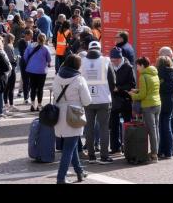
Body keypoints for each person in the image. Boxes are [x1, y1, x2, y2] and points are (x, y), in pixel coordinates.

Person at [52, 54, 91, 184]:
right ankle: (61, 178)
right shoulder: (79, 79)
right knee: (69, 148)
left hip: (59, 114)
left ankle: (79, 172)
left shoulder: (57, 77)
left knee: (71, 144)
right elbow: (86, 101)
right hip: (74, 114)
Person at [80, 41, 115, 164]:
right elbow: (112, 80)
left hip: (87, 99)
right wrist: (109, 92)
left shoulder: (82, 62)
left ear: (89, 49)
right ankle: (104, 156)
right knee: (104, 127)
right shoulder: (105, 60)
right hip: (104, 99)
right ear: (100, 49)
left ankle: (91, 156)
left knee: (88, 127)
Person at [129, 56, 161, 163]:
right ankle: (156, 152)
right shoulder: (154, 73)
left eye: (137, 66)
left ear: (142, 65)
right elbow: (150, 89)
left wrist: (132, 95)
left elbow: (142, 95)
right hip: (157, 104)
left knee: (151, 131)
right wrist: (137, 90)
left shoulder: (143, 76)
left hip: (148, 106)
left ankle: (154, 155)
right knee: (156, 129)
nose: (137, 68)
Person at [108, 46, 135, 155]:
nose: (113, 62)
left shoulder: (128, 67)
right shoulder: (109, 66)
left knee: (127, 124)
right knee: (113, 124)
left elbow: (132, 85)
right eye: (112, 60)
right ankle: (115, 148)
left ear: (120, 58)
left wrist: (119, 88)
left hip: (125, 99)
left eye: (115, 60)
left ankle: (128, 146)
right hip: (114, 100)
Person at [24, 33, 52, 112]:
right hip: (41, 71)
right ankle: (39, 105)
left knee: (32, 87)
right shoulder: (46, 48)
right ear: (45, 39)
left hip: (31, 70)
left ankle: (32, 104)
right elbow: (49, 59)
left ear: (37, 39)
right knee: (40, 88)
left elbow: (25, 56)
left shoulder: (30, 46)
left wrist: (29, 63)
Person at [156, 56, 173, 160]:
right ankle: (169, 151)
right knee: (167, 126)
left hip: (160, 101)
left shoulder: (157, 74)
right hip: (169, 101)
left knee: (160, 127)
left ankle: (160, 151)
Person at [3, 34, 19, 113]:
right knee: (10, 88)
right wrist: (17, 58)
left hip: (6, 69)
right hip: (11, 69)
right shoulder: (8, 47)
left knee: (7, 88)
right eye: (13, 39)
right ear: (10, 39)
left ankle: (7, 104)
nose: (14, 41)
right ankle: (10, 105)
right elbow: (12, 59)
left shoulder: (5, 46)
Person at [17, 29, 33, 104]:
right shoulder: (22, 42)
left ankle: (28, 96)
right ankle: (26, 98)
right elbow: (23, 53)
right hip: (24, 64)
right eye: (30, 35)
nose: (31, 37)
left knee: (29, 81)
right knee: (25, 81)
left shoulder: (30, 42)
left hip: (30, 64)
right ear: (26, 35)